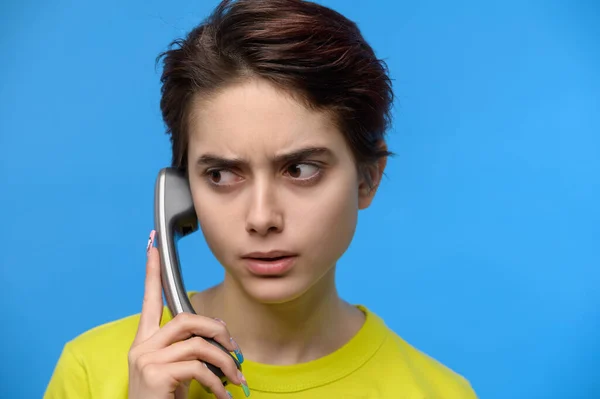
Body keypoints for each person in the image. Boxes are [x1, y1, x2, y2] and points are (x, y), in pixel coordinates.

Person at [44, 0, 478, 398]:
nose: (261, 218)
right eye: (221, 174)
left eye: (301, 170)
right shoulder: (91, 373)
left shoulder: (440, 392)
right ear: (180, 193)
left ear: (367, 179)